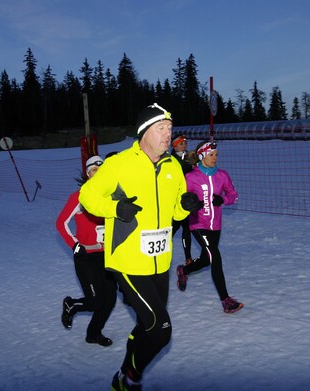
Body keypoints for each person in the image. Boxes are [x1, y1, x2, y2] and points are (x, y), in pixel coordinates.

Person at [79, 103, 203, 391]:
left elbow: (174, 212)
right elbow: (88, 195)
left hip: (160, 261)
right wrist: (115, 208)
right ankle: (129, 378)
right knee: (161, 329)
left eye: (170, 128)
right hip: (128, 261)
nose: (167, 134)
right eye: (161, 128)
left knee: (147, 325)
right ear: (144, 132)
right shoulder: (120, 163)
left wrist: (185, 207)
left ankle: (123, 373)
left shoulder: (173, 166)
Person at [175, 140, 244, 314]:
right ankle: (226, 300)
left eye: (216, 155)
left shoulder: (222, 175)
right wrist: (189, 203)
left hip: (216, 225)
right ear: (202, 156)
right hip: (198, 223)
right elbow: (179, 198)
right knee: (216, 257)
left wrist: (224, 200)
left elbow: (233, 195)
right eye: (212, 155)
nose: (215, 158)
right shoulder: (191, 177)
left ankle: (184, 270)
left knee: (207, 259)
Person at [56, 155, 117, 347]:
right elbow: (61, 223)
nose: (97, 174)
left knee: (110, 299)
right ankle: (71, 305)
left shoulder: (110, 196)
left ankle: (93, 334)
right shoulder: (80, 196)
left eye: (101, 170)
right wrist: (75, 245)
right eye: (94, 171)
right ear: (88, 174)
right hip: (86, 257)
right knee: (95, 300)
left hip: (106, 257)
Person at [170, 134, 199, 265]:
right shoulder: (170, 159)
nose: (184, 145)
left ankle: (188, 258)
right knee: (172, 228)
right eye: (181, 143)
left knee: (187, 229)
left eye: (185, 143)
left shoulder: (190, 157)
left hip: (188, 199)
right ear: (174, 146)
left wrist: (196, 165)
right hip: (175, 200)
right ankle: (161, 250)